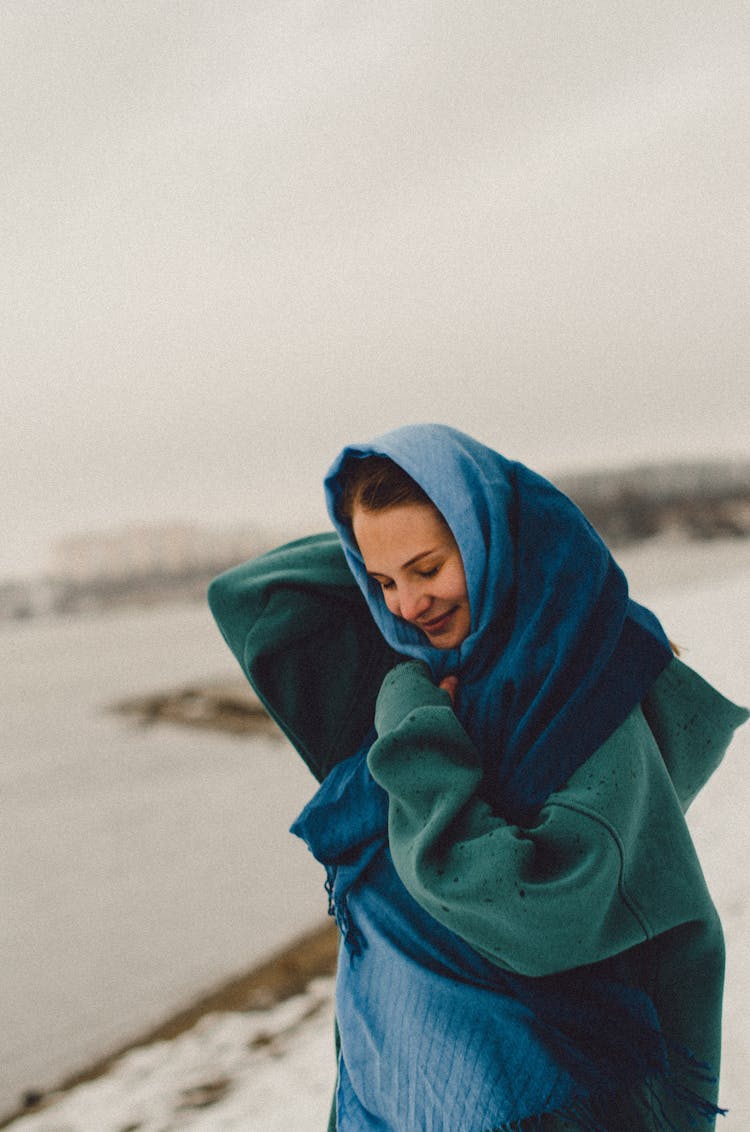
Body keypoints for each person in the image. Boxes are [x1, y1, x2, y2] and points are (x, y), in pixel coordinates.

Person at [208, 424, 748, 1131]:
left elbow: (529, 913)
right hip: (399, 1077)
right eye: (382, 583)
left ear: (494, 541)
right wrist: (374, 551)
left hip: (525, 1092)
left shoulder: (584, 697)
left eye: (427, 569)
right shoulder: (449, 666)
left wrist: (414, 728)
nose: (405, 606)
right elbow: (246, 595)